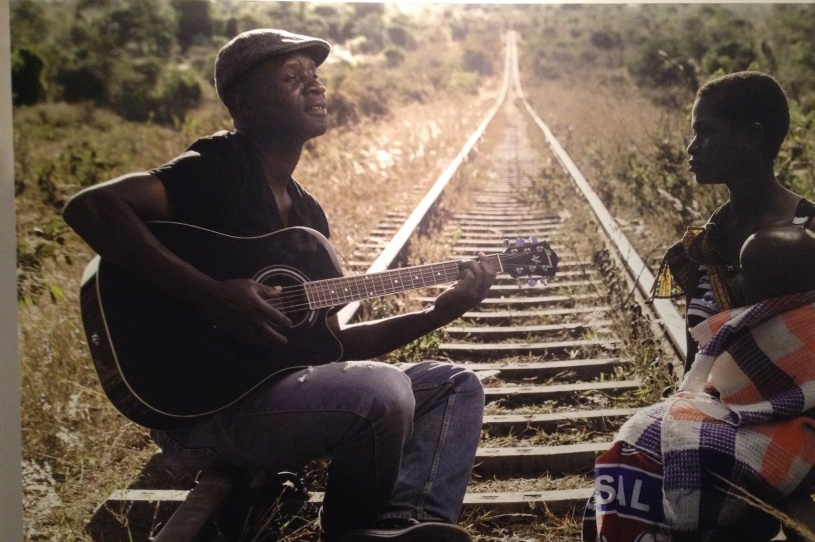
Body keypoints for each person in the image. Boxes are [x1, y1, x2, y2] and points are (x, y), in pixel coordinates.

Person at [62, 28, 498, 542]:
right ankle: (350, 531)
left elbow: (334, 348)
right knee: (381, 390)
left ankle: (402, 525)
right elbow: (90, 207)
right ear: (244, 103)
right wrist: (211, 294)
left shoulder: (306, 216)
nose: (316, 88)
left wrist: (437, 314)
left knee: (455, 384)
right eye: (294, 78)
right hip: (205, 411)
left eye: (315, 77)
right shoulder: (215, 169)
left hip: (282, 399)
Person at [584, 71, 815, 542]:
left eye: (706, 132)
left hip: (810, 420)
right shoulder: (701, 243)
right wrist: (682, 414)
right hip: (735, 411)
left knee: (715, 499)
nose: (692, 146)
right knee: (625, 471)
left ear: (752, 137)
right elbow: (702, 355)